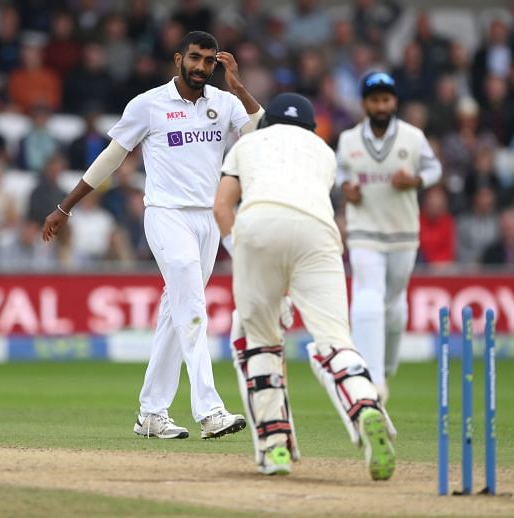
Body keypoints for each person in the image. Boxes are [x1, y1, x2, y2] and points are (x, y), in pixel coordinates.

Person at [42, 31, 263, 440]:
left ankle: (151, 413)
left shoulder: (225, 102)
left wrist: (238, 86)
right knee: (192, 304)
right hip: (165, 215)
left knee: (175, 312)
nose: (200, 67)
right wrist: (65, 206)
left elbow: (265, 136)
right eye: (194, 58)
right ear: (179, 58)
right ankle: (209, 409)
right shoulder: (149, 104)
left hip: (209, 219)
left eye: (208, 61)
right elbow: (112, 156)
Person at [213, 92, 396, 479]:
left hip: (260, 225)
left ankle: (276, 446)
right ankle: (366, 408)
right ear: (311, 129)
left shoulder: (248, 143)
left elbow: (222, 206)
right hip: (319, 233)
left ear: (268, 123)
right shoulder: (323, 151)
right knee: (336, 342)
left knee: (259, 341)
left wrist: (240, 249)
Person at [336, 72, 442, 401]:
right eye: (375, 100)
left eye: (386, 99)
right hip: (364, 230)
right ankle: (372, 380)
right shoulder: (349, 139)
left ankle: (387, 365)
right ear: (365, 103)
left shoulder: (413, 137)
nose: (381, 106)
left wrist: (414, 181)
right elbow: (339, 173)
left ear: (394, 101)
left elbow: (434, 169)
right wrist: (345, 189)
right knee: (369, 294)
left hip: (403, 233)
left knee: (394, 305)